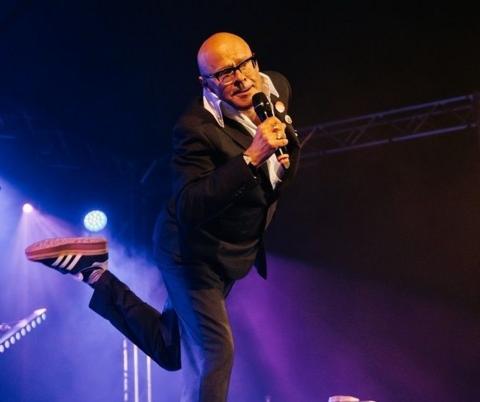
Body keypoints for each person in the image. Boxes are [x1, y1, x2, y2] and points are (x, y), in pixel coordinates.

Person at [25, 32, 300, 402]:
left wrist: (281, 158)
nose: (242, 77)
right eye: (226, 73)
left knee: (172, 349)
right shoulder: (195, 129)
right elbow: (190, 204)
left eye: (246, 63)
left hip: (230, 255)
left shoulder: (275, 87)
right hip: (189, 254)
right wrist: (251, 158)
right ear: (207, 83)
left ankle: (94, 273)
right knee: (216, 353)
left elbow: (280, 166)